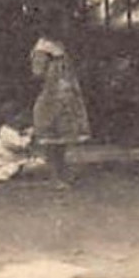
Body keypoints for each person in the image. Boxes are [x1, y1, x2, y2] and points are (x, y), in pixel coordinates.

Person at [29, 14, 92, 188]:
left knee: (62, 137)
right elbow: (37, 73)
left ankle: (63, 172)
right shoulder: (43, 48)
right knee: (51, 137)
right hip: (51, 95)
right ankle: (55, 176)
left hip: (65, 94)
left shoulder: (59, 46)